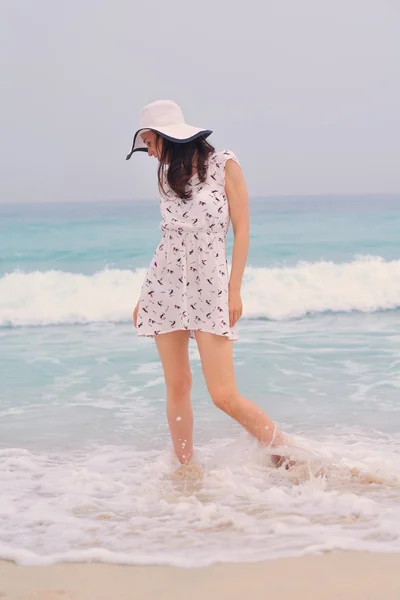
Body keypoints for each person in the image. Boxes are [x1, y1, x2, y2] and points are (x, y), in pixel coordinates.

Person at [127, 100, 289, 467]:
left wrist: (234, 289)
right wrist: (145, 295)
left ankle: (285, 451)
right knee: (177, 386)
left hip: (210, 286)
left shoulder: (224, 164)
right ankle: (186, 470)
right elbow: (168, 238)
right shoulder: (168, 176)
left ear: (168, 137)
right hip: (164, 285)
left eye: (150, 143)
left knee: (223, 394)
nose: (150, 153)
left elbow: (242, 229)